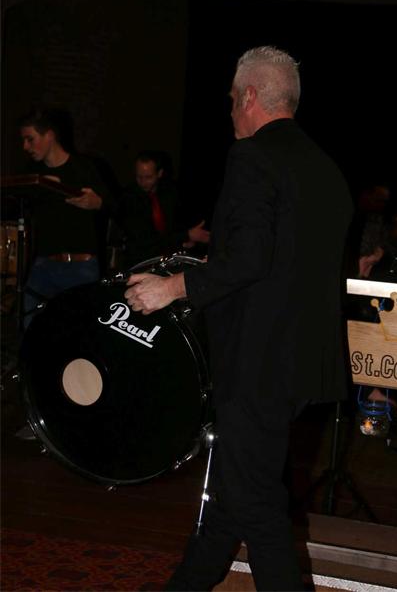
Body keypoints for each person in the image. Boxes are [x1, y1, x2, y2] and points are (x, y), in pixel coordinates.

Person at [125, 46, 353, 591]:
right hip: (302, 364)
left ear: (250, 96)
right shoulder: (325, 169)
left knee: (256, 506)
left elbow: (250, 259)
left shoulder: (252, 156)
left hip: (257, 363)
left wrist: (170, 288)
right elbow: (287, 266)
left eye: (231, 100)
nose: (229, 111)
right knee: (231, 497)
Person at [18, 107, 113, 327]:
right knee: (31, 328)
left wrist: (97, 202)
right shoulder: (32, 172)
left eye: (30, 139)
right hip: (42, 266)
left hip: (80, 268)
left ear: (49, 135)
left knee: (77, 332)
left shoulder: (84, 167)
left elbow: (115, 206)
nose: (25, 147)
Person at [115, 150, 210, 269]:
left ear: (159, 173)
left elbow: (175, 225)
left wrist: (186, 241)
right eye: (139, 177)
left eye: (148, 177)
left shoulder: (170, 192)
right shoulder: (128, 198)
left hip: (168, 260)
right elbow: (145, 240)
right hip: (140, 263)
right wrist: (186, 235)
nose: (143, 182)